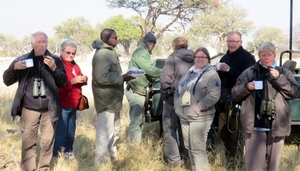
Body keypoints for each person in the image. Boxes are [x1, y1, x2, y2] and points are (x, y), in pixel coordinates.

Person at [2, 31, 67, 171]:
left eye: (44, 42)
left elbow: (63, 82)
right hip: (29, 109)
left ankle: (44, 168)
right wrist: (14, 68)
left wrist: (54, 68)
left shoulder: (54, 60)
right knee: (28, 142)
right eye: (39, 42)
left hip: (49, 109)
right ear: (32, 44)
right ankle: (28, 169)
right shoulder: (23, 59)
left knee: (47, 142)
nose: (42, 45)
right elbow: (6, 81)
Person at [231, 42, 299, 171]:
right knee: (253, 166)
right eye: (263, 55)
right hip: (255, 125)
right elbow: (235, 92)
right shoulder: (250, 72)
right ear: (259, 56)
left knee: (273, 166)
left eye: (269, 55)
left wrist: (279, 79)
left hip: (277, 125)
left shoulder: (284, 73)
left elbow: (294, 92)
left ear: (274, 56)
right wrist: (247, 87)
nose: (267, 58)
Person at [174, 47, 221, 171]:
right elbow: (178, 90)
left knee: (197, 148)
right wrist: (177, 105)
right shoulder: (189, 72)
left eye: (203, 57)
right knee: (189, 147)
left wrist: (199, 106)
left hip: (200, 117)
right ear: (194, 59)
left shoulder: (211, 74)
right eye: (197, 57)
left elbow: (214, 95)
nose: (200, 59)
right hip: (184, 116)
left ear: (208, 59)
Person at [92, 28, 134, 164]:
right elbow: (101, 78)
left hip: (113, 100)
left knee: (114, 131)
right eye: (115, 38)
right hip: (106, 101)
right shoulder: (102, 54)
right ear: (106, 38)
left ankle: (113, 158)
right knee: (104, 133)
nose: (117, 40)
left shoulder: (109, 52)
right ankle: (101, 163)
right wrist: (122, 78)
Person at [216, 31, 256, 159]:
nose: (231, 44)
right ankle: (229, 158)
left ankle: (237, 161)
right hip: (222, 99)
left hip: (237, 100)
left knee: (235, 131)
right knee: (223, 131)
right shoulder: (225, 57)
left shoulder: (247, 58)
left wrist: (229, 70)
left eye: (234, 41)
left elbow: (248, 79)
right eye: (229, 41)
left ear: (241, 42)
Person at [160, 37, 193, 166]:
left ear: (174, 47)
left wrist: (164, 97)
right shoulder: (196, 57)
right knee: (185, 129)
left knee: (170, 129)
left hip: (173, 99)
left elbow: (164, 80)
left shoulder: (172, 58)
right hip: (191, 100)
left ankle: (174, 161)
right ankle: (187, 157)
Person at [125, 32, 162, 145]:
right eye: (150, 42)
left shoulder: (144, 52)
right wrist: (166, 72)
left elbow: (145, 71)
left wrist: (150, 78)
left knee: (138, 121)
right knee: (136, 121)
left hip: (139, 90)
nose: (152, 44)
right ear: (144, 42)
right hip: (136, 91)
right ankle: (133, 148)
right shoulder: (141, 52)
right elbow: (150, 69)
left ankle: (136, 145)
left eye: (154, 42)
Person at [53, 40, 88, 159]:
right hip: (62, 105)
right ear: (61, 51)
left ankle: (68, 152)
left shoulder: (74, 65)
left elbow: (80, 77)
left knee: (71, 132)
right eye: (68, 52)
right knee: (61, 132)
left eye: (73, 53)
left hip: (74, 104)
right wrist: (72, 82)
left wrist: (84, 79)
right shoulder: (58, 65)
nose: (71, 55)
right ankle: (57, 156)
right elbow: (56, 88)